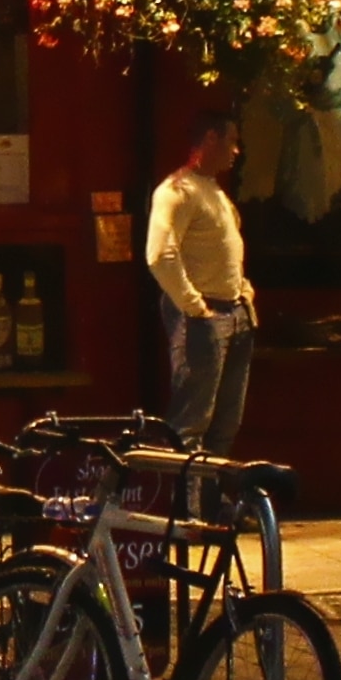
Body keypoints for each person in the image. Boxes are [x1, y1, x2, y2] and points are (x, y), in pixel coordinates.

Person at [145, 114, 257, 451]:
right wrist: (195, 307)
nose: (236, 150)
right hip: (204, 316)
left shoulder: (213, 190)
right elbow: (160, 254)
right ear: (210, 138)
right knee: (191, 426)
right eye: (231, 141)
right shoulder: (177, 190)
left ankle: (212, 487)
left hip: (233, 312)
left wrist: (243, 292)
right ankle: (189, 489)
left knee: (225, 424)